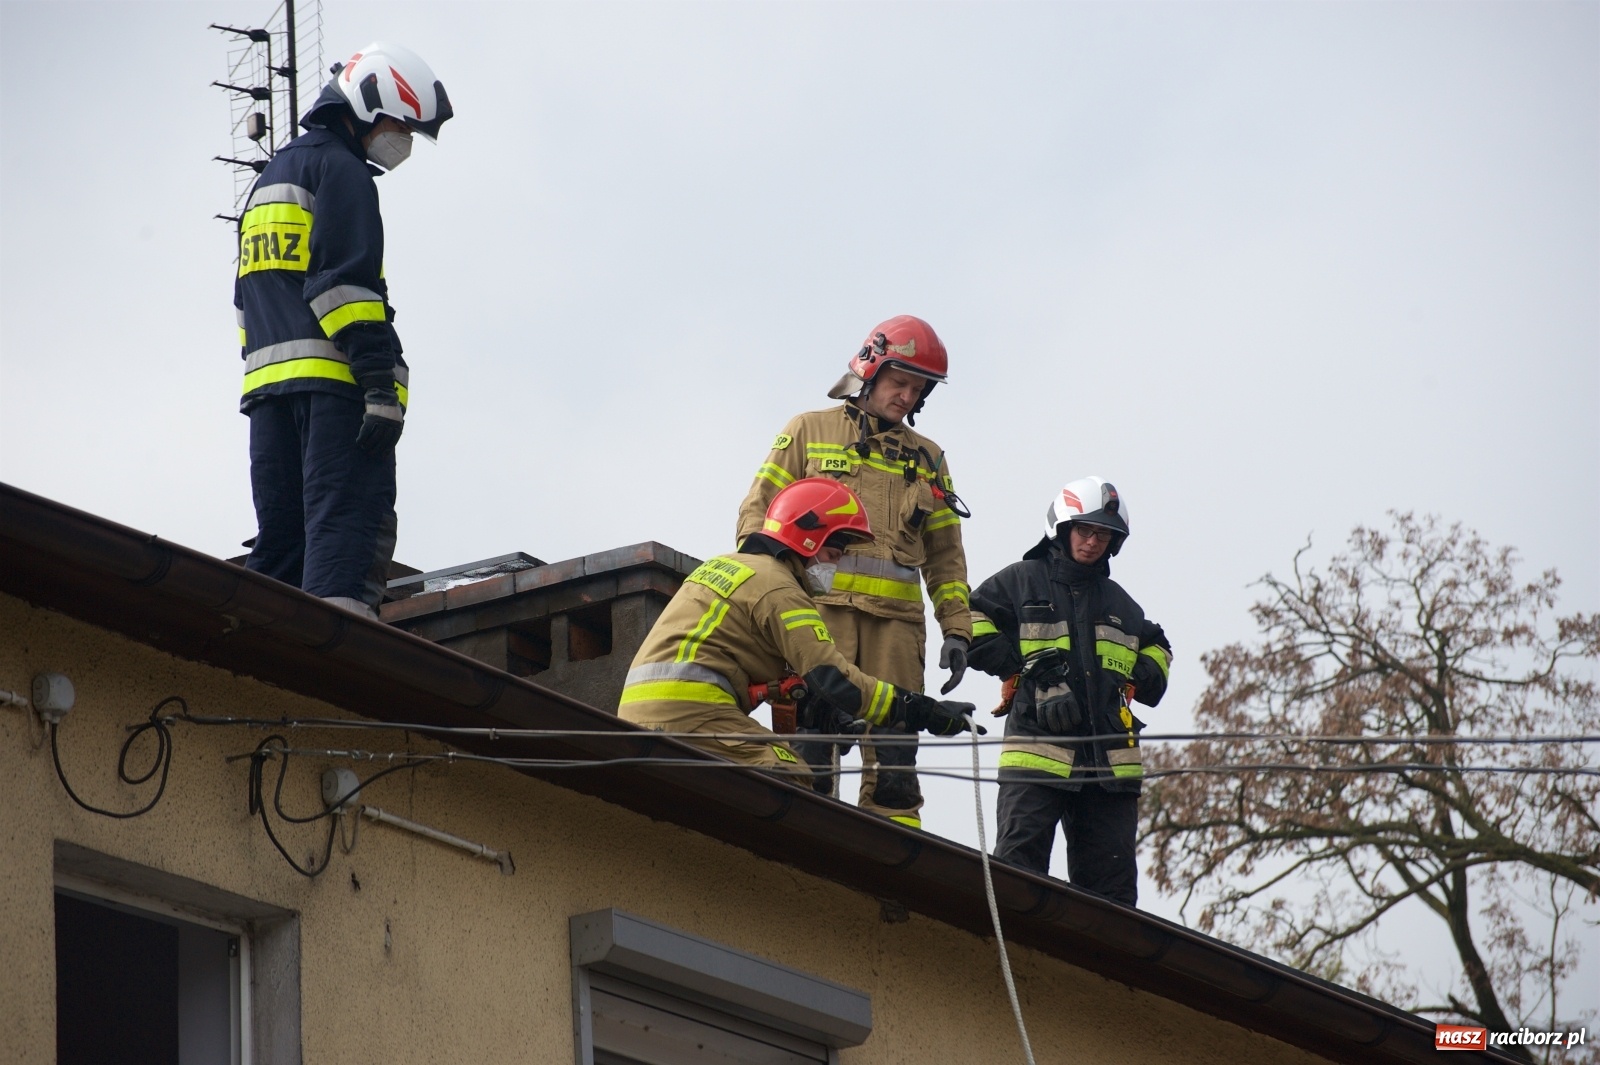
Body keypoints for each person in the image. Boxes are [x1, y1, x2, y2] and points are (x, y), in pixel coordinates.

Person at [234, 43, 453, 619]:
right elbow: (345, 286)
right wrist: (378, 384)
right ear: (367, 104)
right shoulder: (343, 171)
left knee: (282, 550)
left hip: (269, 400)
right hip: (339, 393)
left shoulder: (268, 183)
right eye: (400, 124)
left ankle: (252, 671)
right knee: (343, 536)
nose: (402, 140)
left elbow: (246, 302)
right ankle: (328, 675)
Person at [734, 316, 971, 829]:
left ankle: (889, 873)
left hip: (897, 630)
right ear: (871, 370)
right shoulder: (807, 431)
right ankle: (805, 849)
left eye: (917, 388)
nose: (907, 396)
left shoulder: (929, 459)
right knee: (812, 746)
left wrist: (957, 628)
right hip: (818, 614)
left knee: (895, 767)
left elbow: (947, 556)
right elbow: (756, 516)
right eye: (898, 382)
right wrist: (765, 595)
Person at [621, 478, 977, 777]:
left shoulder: (730, 565)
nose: (835, 571)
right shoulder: (781, 590)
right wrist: (920, 710)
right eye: (834, 556)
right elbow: (835, 679)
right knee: (791, 774)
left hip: (639, 712)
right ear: (810, 539)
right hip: (691, 713)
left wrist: (814, 707)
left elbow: (727, 662)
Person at [966, 477, 1171, 906]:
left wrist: (1141, 675)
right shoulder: (1021, 581)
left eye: (1104, 535)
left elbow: (1158, 645)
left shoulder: (1121, 604)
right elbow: (969, 620)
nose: (1093, 542)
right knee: (1016, 879)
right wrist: (1025, 670)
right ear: (1062, 529)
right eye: (1085, 530)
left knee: (1112, 900)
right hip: (1037, 759)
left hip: (1110, 776)